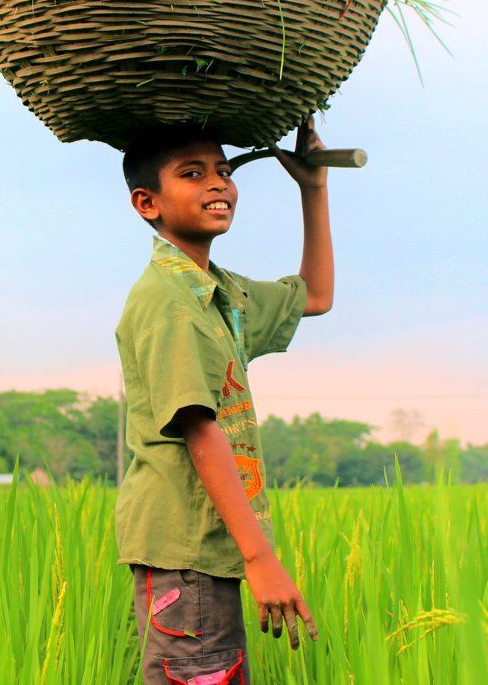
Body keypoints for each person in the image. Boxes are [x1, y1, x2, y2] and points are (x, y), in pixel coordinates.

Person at [114, 116, 331, 684]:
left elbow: (317, 296)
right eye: (193, 174)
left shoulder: (219, 291)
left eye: (224, 171)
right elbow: (199, 427)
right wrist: (261, 559)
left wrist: (314, 188)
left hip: (207, 549)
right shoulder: (168, 300)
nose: (218, 184)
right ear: (147, 203)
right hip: (184, 550)